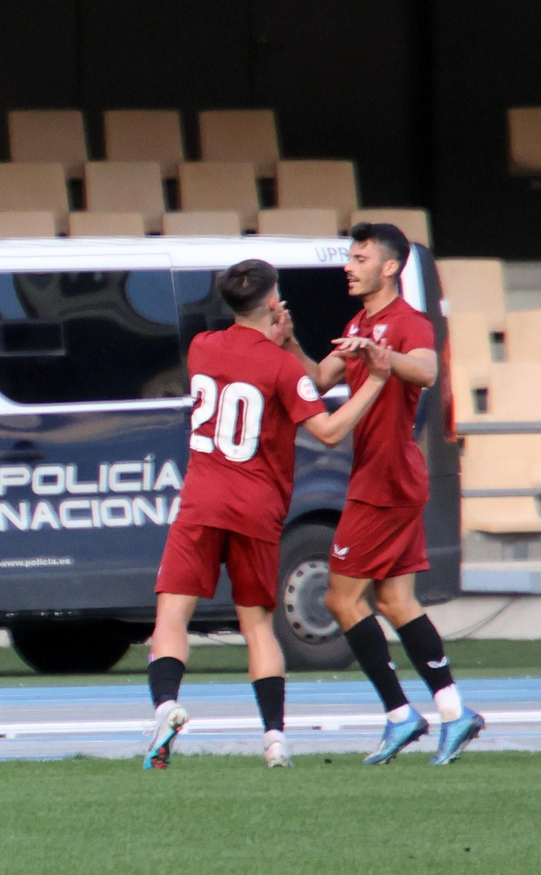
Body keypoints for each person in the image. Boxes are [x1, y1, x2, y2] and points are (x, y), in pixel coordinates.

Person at [142, 259, 392, 770]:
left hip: (203, 496)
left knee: (171, 613)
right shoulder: (278, 366)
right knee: (256, 623)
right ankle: (275, 739)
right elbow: (326, 430)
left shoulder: (201, 348)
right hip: (256, 504)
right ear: (273, 302)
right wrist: (375, 382)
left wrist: (279, 342)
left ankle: (166, 706)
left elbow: (239, 367)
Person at [285, 223, 485, 765]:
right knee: (396, 601)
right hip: (383, 475)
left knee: (340, 599)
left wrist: (382, 358)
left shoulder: (405, 323)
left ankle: (400, 716)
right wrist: (288, 342)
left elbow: (424, 368)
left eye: (358, 257)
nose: (348, 266)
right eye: (349, 257)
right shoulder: (360, 321)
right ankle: (453, 712)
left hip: (387, 479)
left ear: (389, 267)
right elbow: (319, 380)